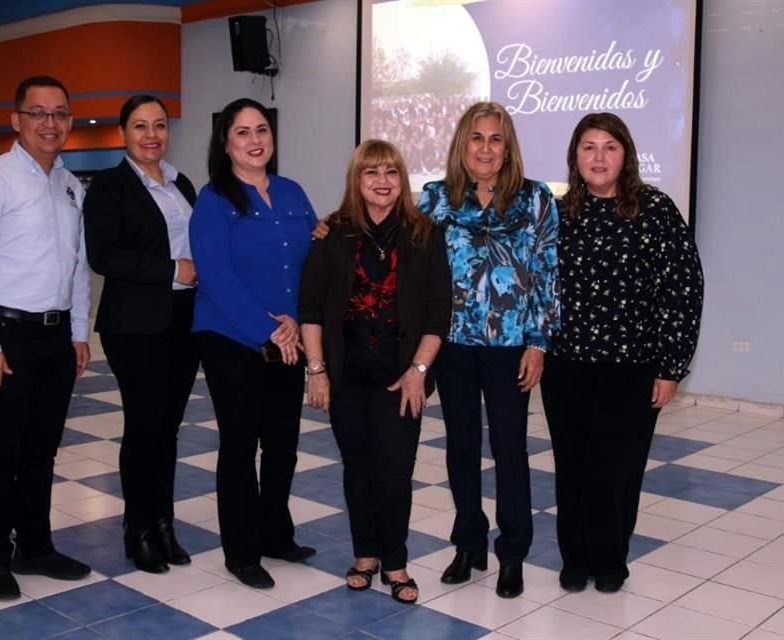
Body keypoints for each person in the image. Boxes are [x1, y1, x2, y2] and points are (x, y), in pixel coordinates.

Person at [541, 112, 703, 594]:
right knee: (572, 464)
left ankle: (610, 560)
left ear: (626, 155)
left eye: (609, 147)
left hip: (633, 366)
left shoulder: (655, 209)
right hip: (566, 365)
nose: (598, 157)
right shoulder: (559, 212)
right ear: (575, 157)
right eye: (588, 148)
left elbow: (684, 289)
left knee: (619, 467)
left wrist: (672, 366)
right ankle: (575, 558)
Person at [298, 140, 451, 604]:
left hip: (401, 377)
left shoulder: (425, 232)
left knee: (395, 469)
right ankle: (365, 553)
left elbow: (438, 312)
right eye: (371, 173)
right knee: (357, 466)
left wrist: (419, 371)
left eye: (391, 172)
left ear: (402, 180)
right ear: (357, 181)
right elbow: (310, 308)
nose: (382, 181)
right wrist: (317, 369)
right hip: (346, 375)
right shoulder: (334, 233)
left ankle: (397, 562)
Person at [0, 75, 92, 600]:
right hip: (7, 337)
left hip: (57, 339)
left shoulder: (69, 184)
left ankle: (34, 547)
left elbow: (77, 266)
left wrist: (79, 331)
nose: (50, 123)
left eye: (60, 113)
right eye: (38, 113)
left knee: (43, 450)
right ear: (16, 120)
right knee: (3, 450)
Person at [418, 101, 559, 598]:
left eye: (495, 139)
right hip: (452, 346)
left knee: (510, 450)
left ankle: (512, 553)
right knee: (460, 448)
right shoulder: (436, 199)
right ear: (463, 144)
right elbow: (405, 257)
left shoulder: (536, 200)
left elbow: (546, 274)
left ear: (508, 147)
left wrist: (538, 342)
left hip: (510, 347)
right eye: (476, 138)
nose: (485, 147)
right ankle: (469, 544)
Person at [190, 98, 317, 589]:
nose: (255, 140)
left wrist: (298, 322)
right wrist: (269, 328)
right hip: (231, 338)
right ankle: (241, 551)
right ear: (225, 144)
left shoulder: (291, 192)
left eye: (261, 129)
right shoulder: (213, 199)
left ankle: (276, 535)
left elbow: (312, 257)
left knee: (283, 443)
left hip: (288, 338)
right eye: (242, 132)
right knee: (241, 445)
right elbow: (216, 276)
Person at [83, 95, 199, 574]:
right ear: (122, 133)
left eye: (159, 125)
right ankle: (138, 530)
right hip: (134, 325)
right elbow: (104, 257)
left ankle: (164, 523)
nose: (151, 134)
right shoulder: (108, 188)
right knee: (144, 426)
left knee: (168, 429)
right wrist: (174, 268)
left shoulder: (182, 183)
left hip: (183, 321)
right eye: (139, 126)